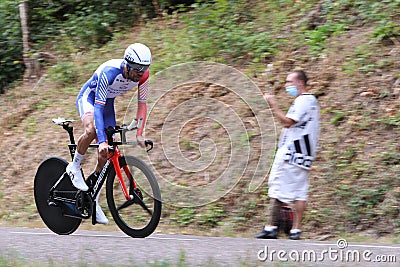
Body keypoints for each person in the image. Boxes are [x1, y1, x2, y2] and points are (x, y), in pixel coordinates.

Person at [65, 43, 152, 224]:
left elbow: (142, 104)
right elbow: (98, 107)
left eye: (144, 69)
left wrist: (139, 134)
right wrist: (101, 139)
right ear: (127, 64)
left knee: (107, 152)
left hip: (107, 103)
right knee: (92, 130)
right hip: (90, 99)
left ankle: (92, 197)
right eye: (136, 69)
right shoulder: (109, 72)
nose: (140, 73)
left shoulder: (143, 76)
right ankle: (74, 166)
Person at [256, 70, 320, 240]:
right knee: (299, 192)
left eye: (289, 82)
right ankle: (295, 230)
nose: (287, 86)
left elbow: (288, 122)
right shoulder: (312, 101)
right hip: (305, 155)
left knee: (277, 186)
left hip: (292, 153)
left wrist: (272, 104)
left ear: (300, 83)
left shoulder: (303, 100)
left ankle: (271, 227)